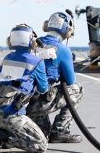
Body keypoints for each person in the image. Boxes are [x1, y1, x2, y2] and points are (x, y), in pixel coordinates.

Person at [0, 24, 49, 153]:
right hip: (10, 112)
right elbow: (43, 89)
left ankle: (4, 132)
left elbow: (1, 78)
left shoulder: (7, 58)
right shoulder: (37, 62)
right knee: (41, 145)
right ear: (30, 40)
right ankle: (1, 136)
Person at [26, 11, 84, 143]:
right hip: (39, 102)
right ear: (66, 29)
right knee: (77, 89)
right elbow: (70, 81)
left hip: (25, 103)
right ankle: (60, 131)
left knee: (43, 134)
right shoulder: (63, 50)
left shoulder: (34, 44)